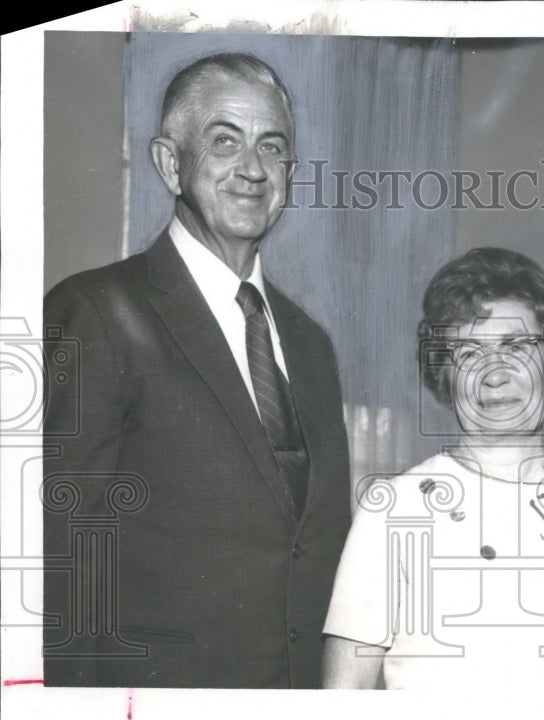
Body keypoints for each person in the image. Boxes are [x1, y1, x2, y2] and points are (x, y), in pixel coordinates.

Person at [42, 53, 351, 688]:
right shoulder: (97, 311)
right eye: (224, 141)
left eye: (273, 147)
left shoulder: (310, 344)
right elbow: (61, 559)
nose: (253, 169)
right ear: (169, 162)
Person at [321, 247, 544, 690]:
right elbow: (341, 703)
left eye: (517, 347)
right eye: (467, 354)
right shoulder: (390, 511)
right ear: (443, 375)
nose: (495, 374)